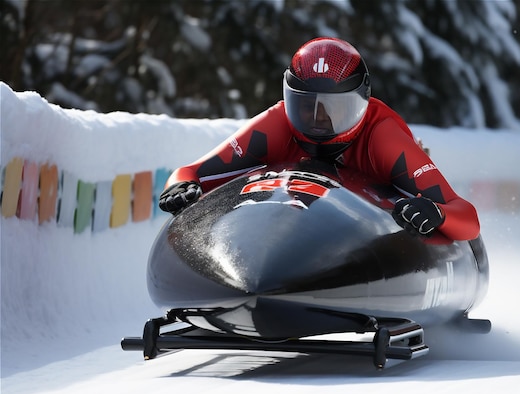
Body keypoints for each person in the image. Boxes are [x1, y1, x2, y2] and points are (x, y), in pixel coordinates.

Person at [159, 37, 479, 241]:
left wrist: (435, 213)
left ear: (361, 103)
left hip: (373, 214)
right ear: (289, 100)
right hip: (291, 218)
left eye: (334, 109)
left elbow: (466, 217)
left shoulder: (383, 139)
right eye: (306, 107)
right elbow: (189, 173)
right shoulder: (276, 123)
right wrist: (180, 188)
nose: (319, 121)